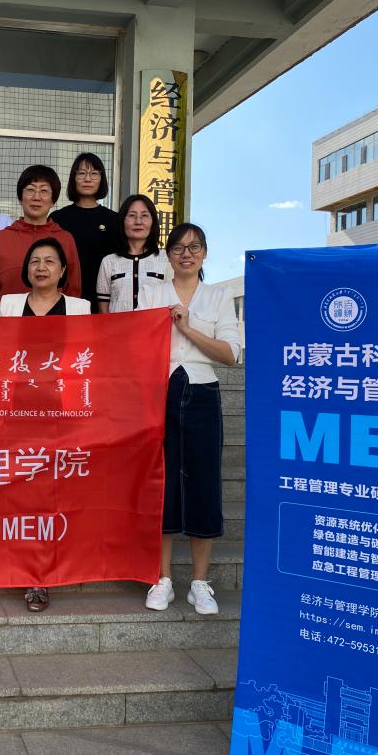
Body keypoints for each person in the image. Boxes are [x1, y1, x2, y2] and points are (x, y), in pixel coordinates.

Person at [139, 223, 240, 616]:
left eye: (194, 247)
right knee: (162, 482)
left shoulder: (219, 296)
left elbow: (231, 353)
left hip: (202, 392)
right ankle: (161, 578)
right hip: (159, 391)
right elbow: (136, 343)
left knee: (204, 483)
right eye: (179, 247)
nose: (186, 254)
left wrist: (187, 328)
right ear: (168, 255)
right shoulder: (151, 293)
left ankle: (200, 582)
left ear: (205, 253)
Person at [0, 238, 89, 612]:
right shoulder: (9, 304)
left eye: (50, 261)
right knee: (18, 491)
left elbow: (88, 362)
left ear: (63, 270)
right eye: (35, 260)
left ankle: (41, 576)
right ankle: (19, 567)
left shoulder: (80, 308)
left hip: (60, 413)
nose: (41, 267)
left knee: (51, 495)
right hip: (15, 411)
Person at [0, 165, 81, 315]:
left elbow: (73, 290)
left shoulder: (65, 239)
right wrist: (4, 315)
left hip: (55, 325)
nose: (36, 197)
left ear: (53, 200)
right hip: (9, 324)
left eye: (44, 191)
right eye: (31, 190)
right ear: (20, 198)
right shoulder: (1, 239)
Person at [50, 153, 118, 311]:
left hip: (104, 301)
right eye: (82, 173)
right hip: (65, 300)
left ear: (102, 179)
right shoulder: (58, 218)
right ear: (74, 178)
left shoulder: (114, 220)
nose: (88, 179)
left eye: (94, 173)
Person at [96, 194, 171, 314]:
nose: (138, 222)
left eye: (144, 215)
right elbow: (103, 310)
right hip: (118, 326)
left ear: (153, 221)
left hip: (155, 326)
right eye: (132, 215)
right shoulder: (109, 262)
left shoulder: (166, 259)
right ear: (122, 221)